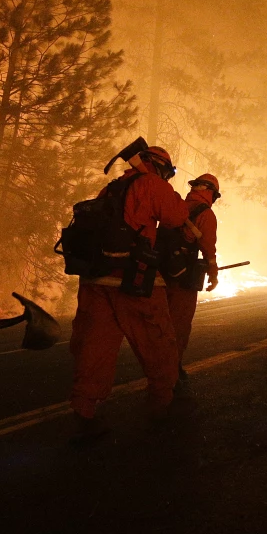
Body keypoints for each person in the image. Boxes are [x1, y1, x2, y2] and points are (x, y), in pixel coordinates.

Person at [69, 144, 191, 435]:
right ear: (160, 167)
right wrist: (169, 191)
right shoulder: (152, 184)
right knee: (158, 341)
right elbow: (175, 216)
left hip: (96, 281)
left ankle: (84, 412)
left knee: (95, 349)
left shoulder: (111, 189)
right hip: (134, 281)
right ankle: (162, 406)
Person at [161, 173, 220, 391]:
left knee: (160, 322)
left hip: (161, 272)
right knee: (179, 324)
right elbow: (208, 248)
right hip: (183, 277)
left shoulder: (177, 207)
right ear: (211, 193)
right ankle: (170, 373)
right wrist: (213, 273)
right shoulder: (206, 214)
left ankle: (159, 368)